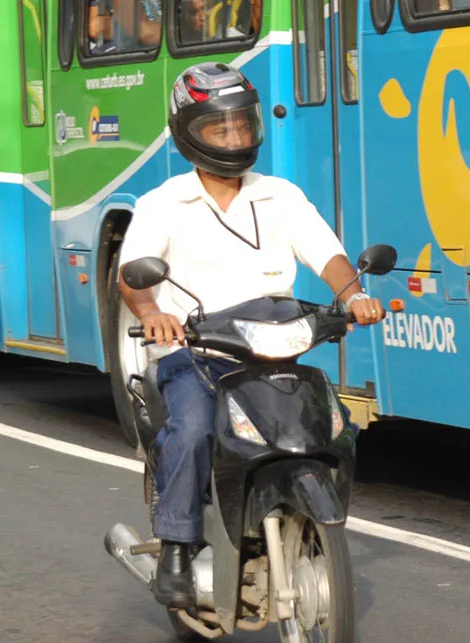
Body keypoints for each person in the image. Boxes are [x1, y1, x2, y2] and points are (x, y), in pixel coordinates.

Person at [116, 62, 385, 609]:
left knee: (329, 425)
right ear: (187, 132)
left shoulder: (279, 194)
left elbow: (326, 252)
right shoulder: (162, 203)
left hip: (270, 344)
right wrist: (152, 315)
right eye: (220, 128)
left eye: (242, 125)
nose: (234, 138)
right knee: (191, 430)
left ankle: (307, 510)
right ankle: (176, 545)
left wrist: (354, 297)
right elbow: (132, 278)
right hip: (194, 352)